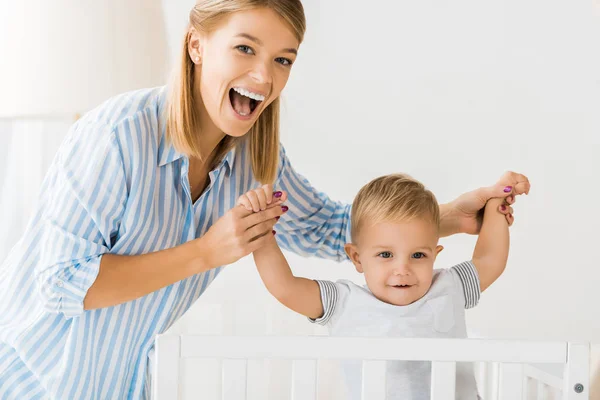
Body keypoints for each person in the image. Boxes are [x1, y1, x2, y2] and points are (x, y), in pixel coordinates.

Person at [0, 1, 529, 399]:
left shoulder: (259, 157)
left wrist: (445, 218)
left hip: (122, 387)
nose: (264, 76)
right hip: (30, 382)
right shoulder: (117, 136)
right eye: (245, 48)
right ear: (196, 45)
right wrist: (208, 251)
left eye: (283, 59)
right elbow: (60, 284)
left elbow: (329, 228)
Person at [242, 173, 514, 399]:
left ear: (435, 253)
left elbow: (490, 260)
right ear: (357, 258)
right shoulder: (343, 302)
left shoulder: (449, 286)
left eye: (418, 255)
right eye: (385, 255)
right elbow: (285, 288)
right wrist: (261, 233)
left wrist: (495, 209)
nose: (402, 269)